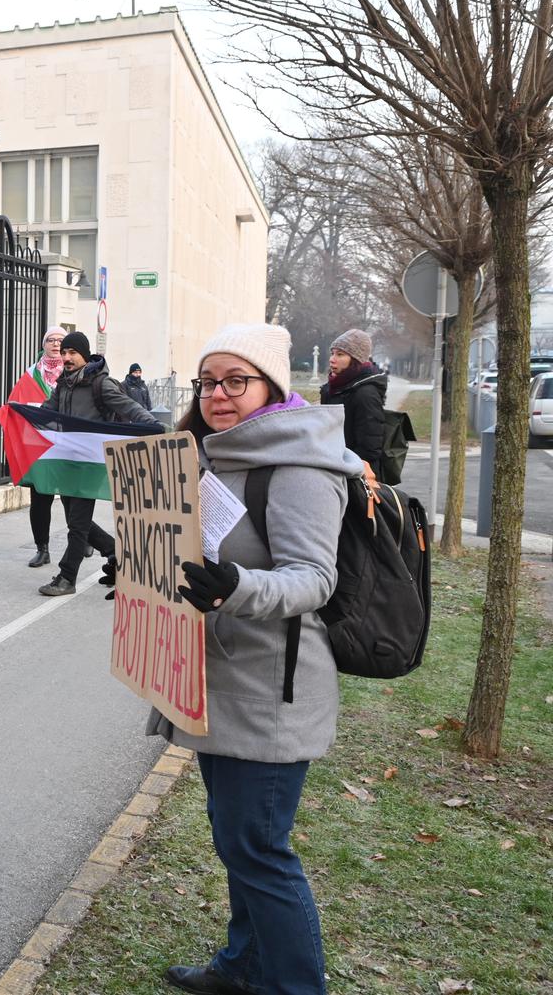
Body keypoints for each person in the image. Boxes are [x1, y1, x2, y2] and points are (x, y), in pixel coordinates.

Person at [152, 323, 360, 995]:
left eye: (235, 380)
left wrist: (236, 587)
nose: (218, 393)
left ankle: (298, 986)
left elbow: (313, 580)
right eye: (208, 381)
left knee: (259, 848)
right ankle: (244, 965)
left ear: (271, 385)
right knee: (234, 837)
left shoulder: (299, 464)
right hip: (216, 677)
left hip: (273, 686)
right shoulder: (213, 454)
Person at [38, 332, 156, 597]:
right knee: (75, 520)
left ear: (84, 354)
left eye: (72, 353)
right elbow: (46, 413)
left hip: (90, 464)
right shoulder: (64, 385)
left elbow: (129, 407)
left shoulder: (100, 384)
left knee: (77, 525)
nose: (66, 357)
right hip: (67, 462)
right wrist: (21, 414)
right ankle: (117, 553)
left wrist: (152, 426)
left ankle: (67, 578)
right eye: (64, 352)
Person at [17, 326, 67, 569]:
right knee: (40, 499)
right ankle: (42, 549)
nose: (56, 344)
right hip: (40, 448)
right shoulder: (29, 375)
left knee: (74, 497)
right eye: (51, 340)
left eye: (60, 340)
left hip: (68, 446)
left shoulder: (73, 373)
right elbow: (15, 406)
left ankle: (87, 538)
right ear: (43, 344)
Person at [321, 328, 386, 469]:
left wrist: (350, 470)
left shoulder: (366, 394)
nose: (332, 359)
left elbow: (370, 448)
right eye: (332, 353)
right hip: (332, 467)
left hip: (354, 474)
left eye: (340, 354)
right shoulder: (330, 389)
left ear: (355, 360)